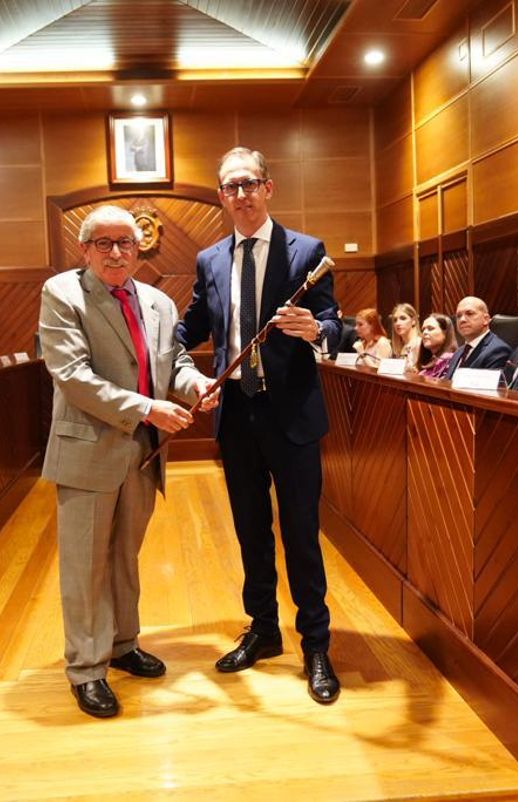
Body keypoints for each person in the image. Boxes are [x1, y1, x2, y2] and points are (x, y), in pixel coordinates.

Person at [176, 146, 343, 704]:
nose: (241, 194)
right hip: (236, 419)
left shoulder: (306, 252)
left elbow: (336, 327)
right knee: (251, 533)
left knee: (300, 534)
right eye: (230, 186)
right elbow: (193, 326)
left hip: (291, 416)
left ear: (268, 188)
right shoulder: (210, 259)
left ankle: (315, 643)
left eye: (250, 183)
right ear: (221, 196)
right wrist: (159, 358)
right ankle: (264, 629)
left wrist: (313, 328)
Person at [40, 205, 213, 719]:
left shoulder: (158, 301)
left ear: (140, 250)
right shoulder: (62, 294)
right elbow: (71, 374)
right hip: (88, 450)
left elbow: (173, 362)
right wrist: (147, 408)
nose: (117, 253)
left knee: (124, 556)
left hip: (142, 451)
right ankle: (86, 669)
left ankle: (122, 644)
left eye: (127, 243)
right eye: (105, 243)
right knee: (85, 564)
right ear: (85, 249)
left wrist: (194, 384)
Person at [445, 296, 512, 378]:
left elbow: (488, 388)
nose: (462, 320)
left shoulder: (498, 350)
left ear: (486, 319)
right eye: (458, 316)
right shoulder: (459, 351)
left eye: (469, 314)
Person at [416, 313, 458, 379]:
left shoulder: (449, 360)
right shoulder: (429, 359)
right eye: (423, 329)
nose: (425, 332)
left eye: (430, 329)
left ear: (445, 333)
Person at [390, 303, 421, 369]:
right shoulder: (402, 346)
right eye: (395, 320)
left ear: (413, 321)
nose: (397, 323)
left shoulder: (419, 344)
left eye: (403, 318)